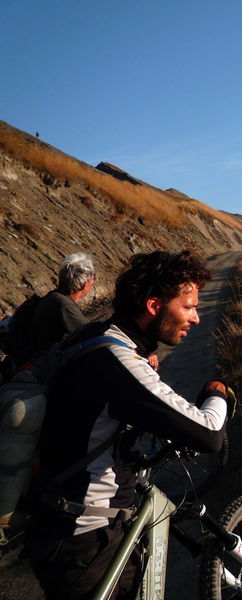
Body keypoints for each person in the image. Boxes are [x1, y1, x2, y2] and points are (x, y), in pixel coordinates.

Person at [25, 250, 228, 600]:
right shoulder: (117, 360)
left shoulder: (96, 335)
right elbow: (209, 433)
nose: (196, 317)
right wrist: (218, 393)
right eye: (188, 307)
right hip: (86, 541)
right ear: (154, 306)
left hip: (56, 522)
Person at [26, 252, 96, 362]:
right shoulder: (64, 305)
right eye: (93, 278)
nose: (93, 282)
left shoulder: (54, 297)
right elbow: (93, 333)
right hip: (43, 367)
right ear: (85, 284)